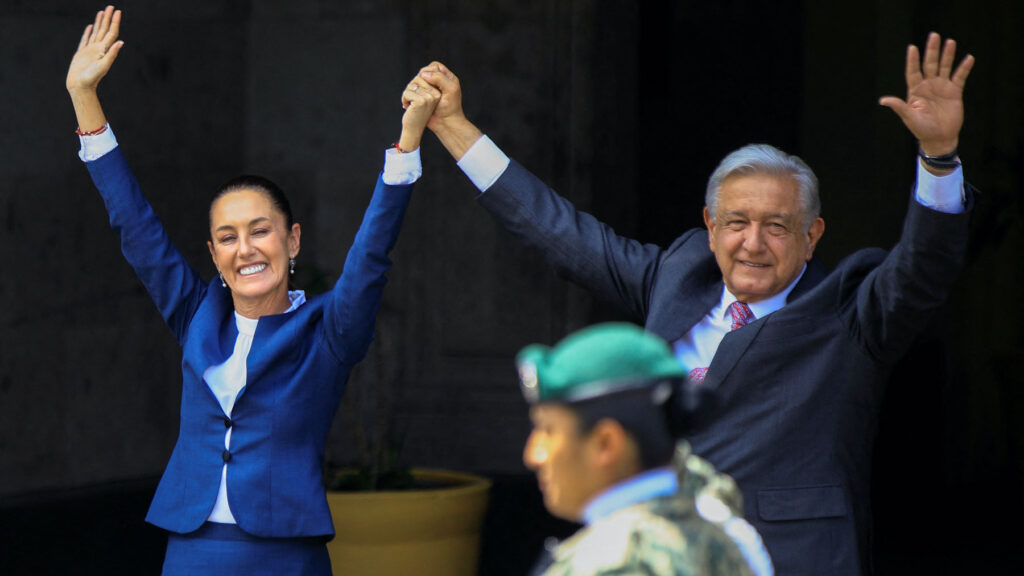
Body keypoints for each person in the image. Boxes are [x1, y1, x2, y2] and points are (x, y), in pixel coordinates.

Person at [409, 32, 975, 575]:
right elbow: (560, 233)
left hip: (785, 558)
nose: (753, 243)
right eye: (737, 223)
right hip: (658, 556)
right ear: (709, 226)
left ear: (813, 235)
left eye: (777, 226)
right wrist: (456, 129)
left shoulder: (851, 311)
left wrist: (939, 155)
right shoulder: (677, 277)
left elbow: (924, 268)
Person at [65, 6, 438, 574]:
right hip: (192, 548)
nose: (246, 249)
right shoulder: (197, 316)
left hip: (285, 553)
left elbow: (369, 260)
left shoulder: (327, 332)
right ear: (213, 255)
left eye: (260, 231)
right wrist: (84, 99)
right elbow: (134, 226)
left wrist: (407, 148)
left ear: (291, 241)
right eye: (228, 237)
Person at [515, 322, 771, 575]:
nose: (534, 455)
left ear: (606, 444)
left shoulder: (610, 562)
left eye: (548, 430)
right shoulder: (727, 539)